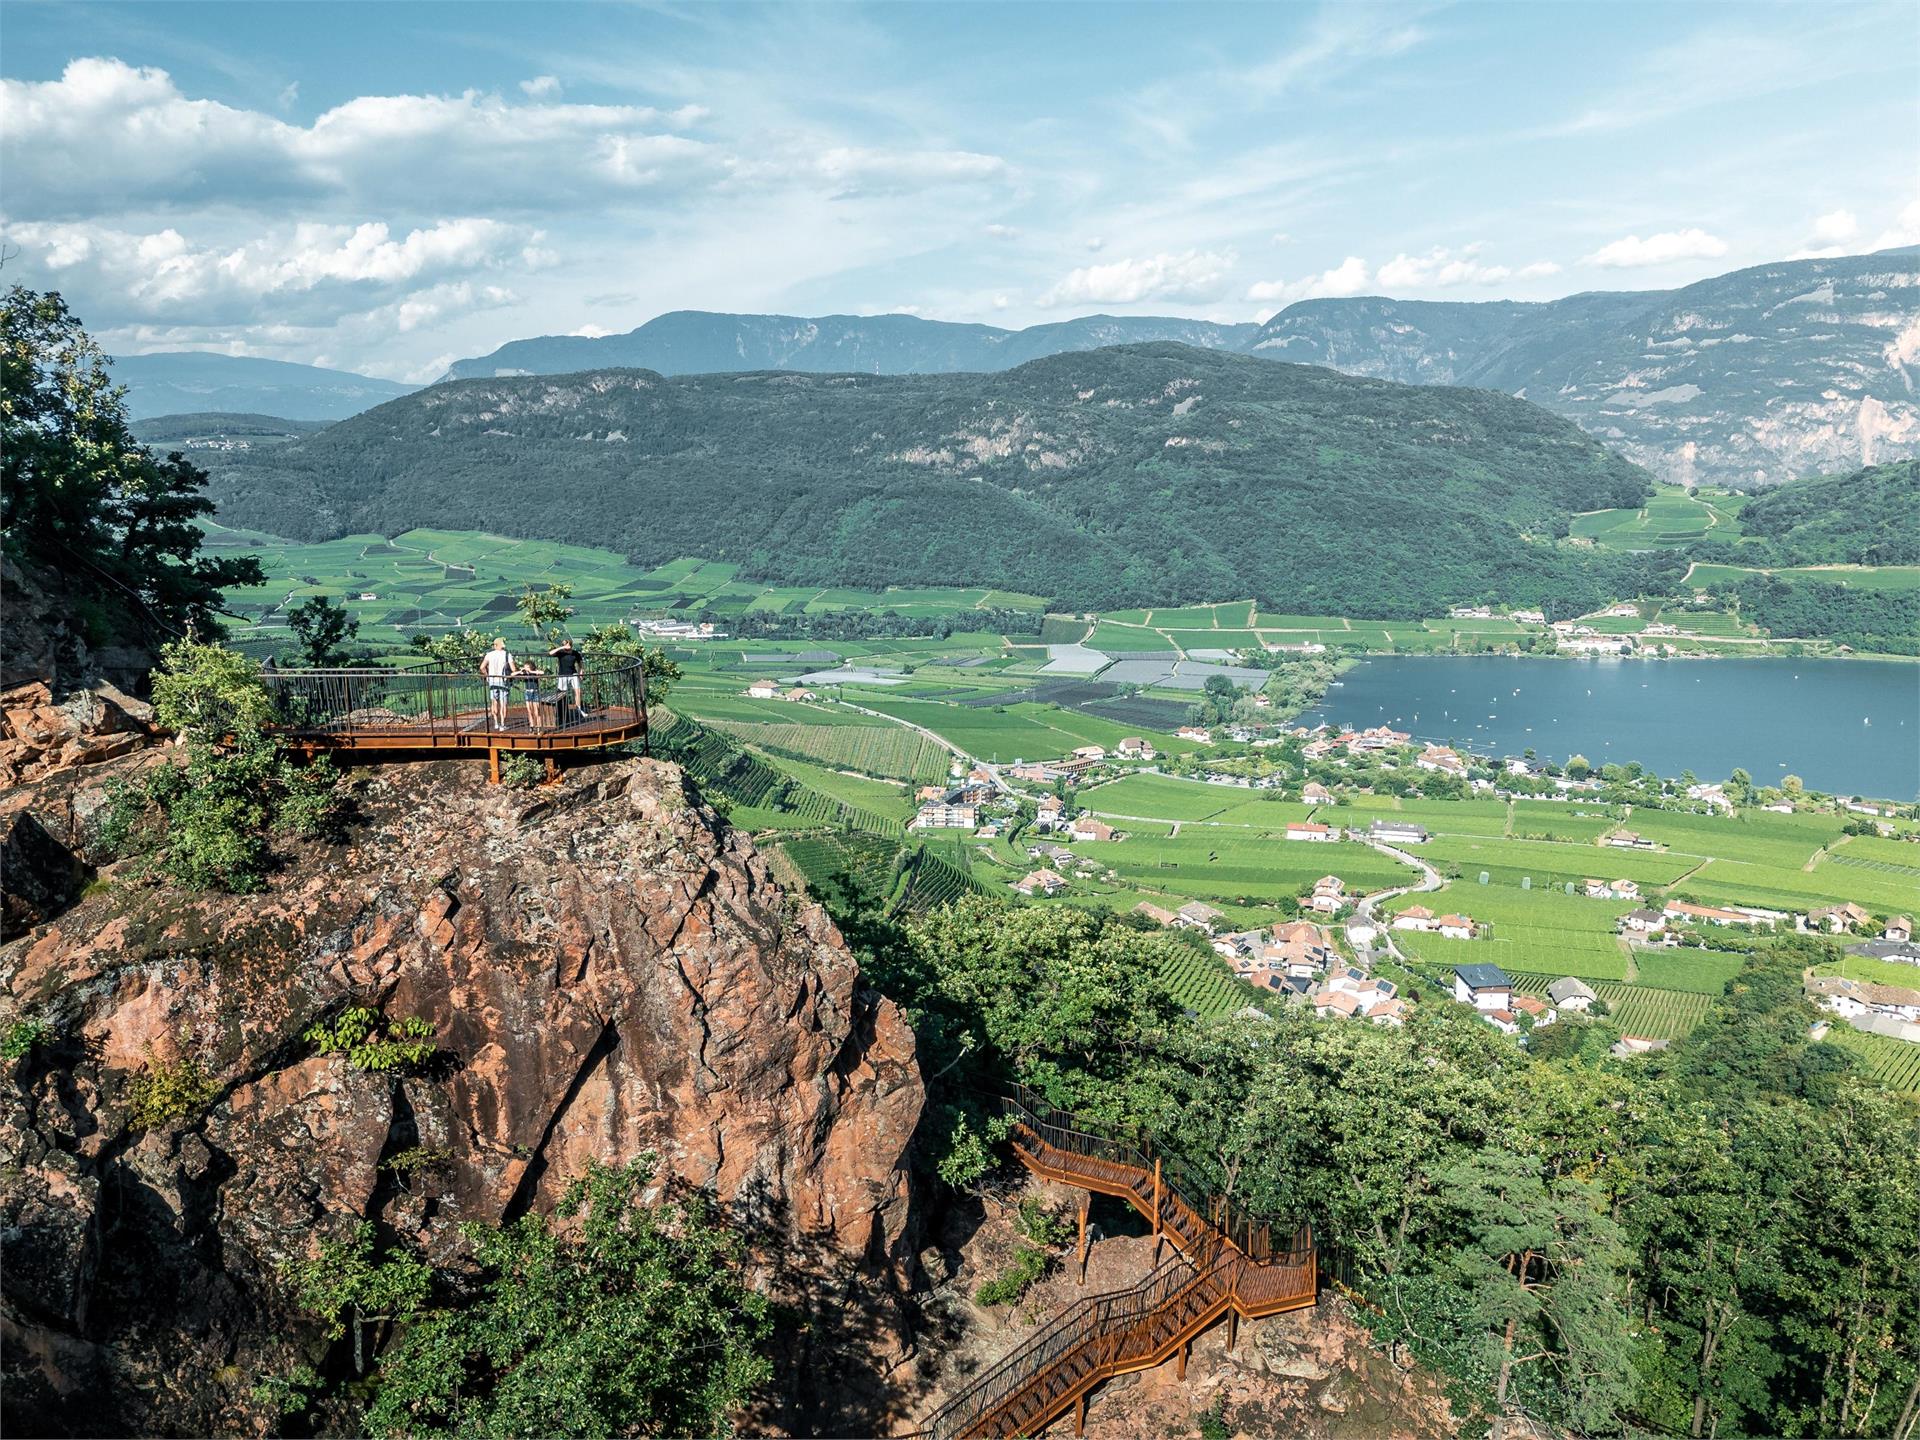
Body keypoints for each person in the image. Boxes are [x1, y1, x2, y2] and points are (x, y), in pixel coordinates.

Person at [480, 638, 514, 728]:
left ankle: (496, 723)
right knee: (503, 703)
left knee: (494, 702)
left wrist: (487, 676)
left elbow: (482, 667)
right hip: (503, 680)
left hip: (492, 680)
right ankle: (503, 724)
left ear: (495, 645)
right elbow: (513, 669)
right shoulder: (507, 654)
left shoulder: (489, 655)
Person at [549, 636, 583, 723]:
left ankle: (578, 709)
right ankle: (563, 711)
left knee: (578, 691)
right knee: (563, 693)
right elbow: (550, 653)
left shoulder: (575, 653)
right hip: (563, 675)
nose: (567, 647)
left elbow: (580, 663)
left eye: (568, 645)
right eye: (565, 645)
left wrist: (581, 672)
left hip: (573, 674)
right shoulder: (561, 652)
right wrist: (562, 648)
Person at [515, 657, 546, 732]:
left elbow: (542, 672)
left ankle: (539, 727)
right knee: (529, 711)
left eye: (527, 667)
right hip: (527, 692)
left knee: (537, 710)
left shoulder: (535, 672)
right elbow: (512, 674)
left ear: (531, 667)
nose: (526, 669)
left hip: (535, 692)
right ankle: (532, 726)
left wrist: (532, 671)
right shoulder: (524, 674)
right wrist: (520, 671)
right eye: (525, 667)